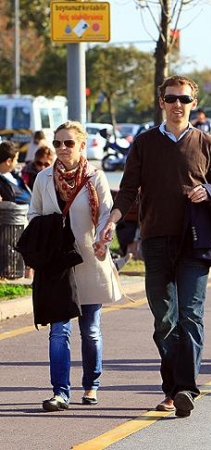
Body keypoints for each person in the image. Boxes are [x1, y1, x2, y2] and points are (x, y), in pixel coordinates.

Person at [97, 75, 211, 418]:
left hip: (195, 241)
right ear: (161, 102)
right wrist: (112, 221)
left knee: (191, 316)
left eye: (184, 99)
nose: (178, 105)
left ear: (193, 104)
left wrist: (207, 193)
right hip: (155, 239)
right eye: (171, 98)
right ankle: (172, 387)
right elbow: (127, 190)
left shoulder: (207, 143)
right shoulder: (144, 143)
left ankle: (185, 389)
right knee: (164, 320)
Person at [28, 120, 122, 411]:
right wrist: (47, 233)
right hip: (58, 266)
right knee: (59, 331)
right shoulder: (44, 178)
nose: (62, 148)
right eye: (57, 143)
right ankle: (60, 392)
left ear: (82, 145)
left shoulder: (95, 177)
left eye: (69, 143)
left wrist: (104, 239)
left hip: (89, 261)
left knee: (90, 330)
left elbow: (107, 213)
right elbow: (33, 214)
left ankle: (92, 384)